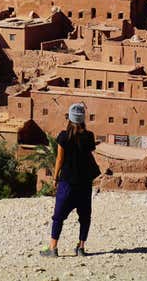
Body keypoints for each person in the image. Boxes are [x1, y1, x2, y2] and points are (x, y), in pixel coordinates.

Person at [40, 103, 99, 258]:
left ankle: (53, 249)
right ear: (83, 119)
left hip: (67, 182)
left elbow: (59, 158)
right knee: (85, 217)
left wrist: (55, 177)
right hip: (84, 183)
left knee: (58, 216)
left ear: (69, 118)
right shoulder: (89, 136)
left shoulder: (63, 137)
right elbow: (89, 153)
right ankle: (81, 248)